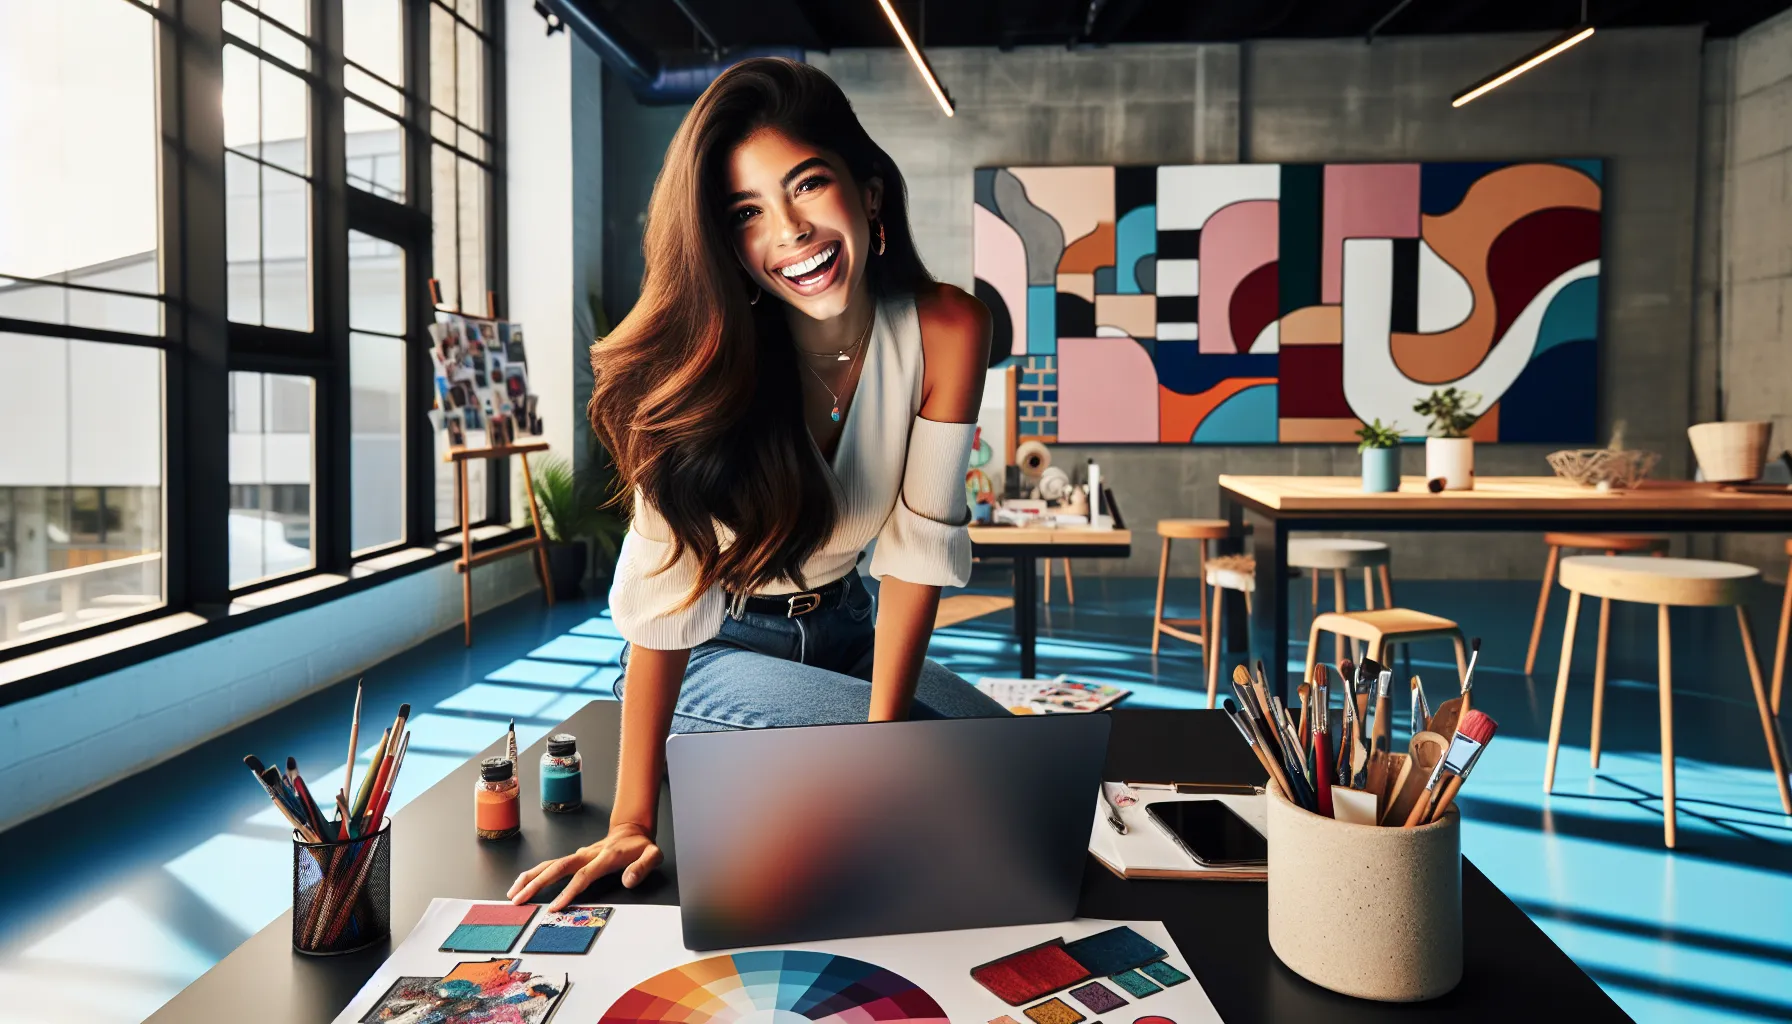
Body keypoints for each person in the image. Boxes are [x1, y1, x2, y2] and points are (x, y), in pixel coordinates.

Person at [509, 58, 1007, 911]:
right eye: (748, 213)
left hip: (847, 624)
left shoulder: (950, 328)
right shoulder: (693, 372)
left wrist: (884, 745)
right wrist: (633, 817)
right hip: (715, 651)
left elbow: (919, 553)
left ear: (872, 192)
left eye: (808, 186)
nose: (791, 232)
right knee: (942, 768)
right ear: (725, 241)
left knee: (996, 752)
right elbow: (665, 609)